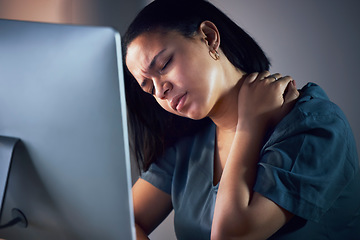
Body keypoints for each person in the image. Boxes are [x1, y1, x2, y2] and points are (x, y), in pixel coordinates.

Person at [122, 0, 360, 239]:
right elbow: (122, 223)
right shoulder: (188, 144)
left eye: (164, 65)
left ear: (209, 37)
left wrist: (248, 125)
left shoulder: (315, 125)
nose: (160, 91)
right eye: (149, 88)